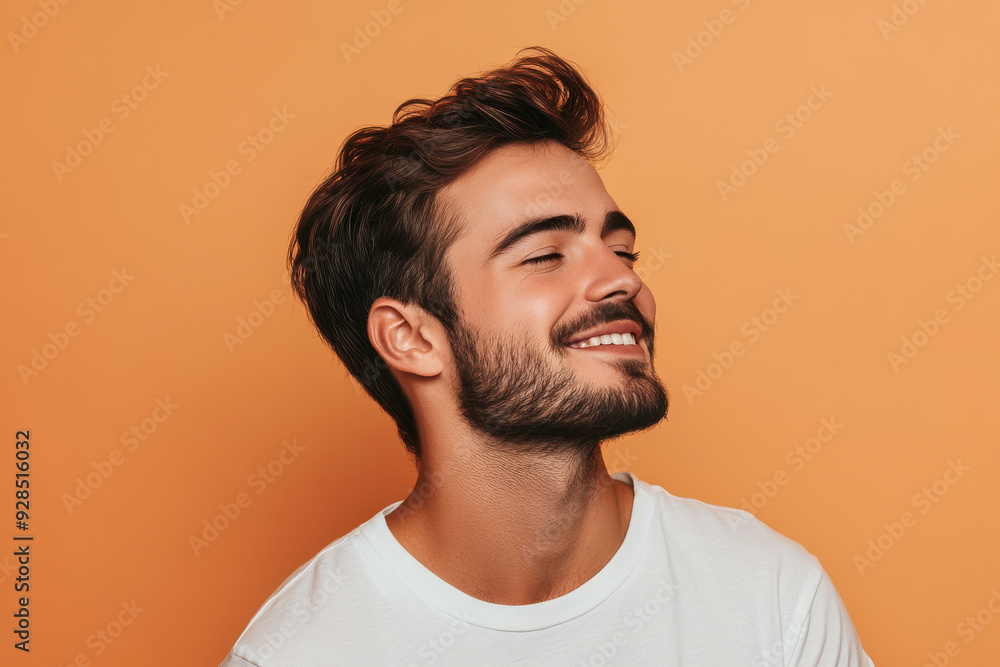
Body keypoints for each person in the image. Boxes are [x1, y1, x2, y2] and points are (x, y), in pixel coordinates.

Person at [219, 46, 875, 666]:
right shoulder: (302, 651)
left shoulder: (772, 599)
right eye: (545, 255)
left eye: (621, 249)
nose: (622, 280)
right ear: (411, 338)